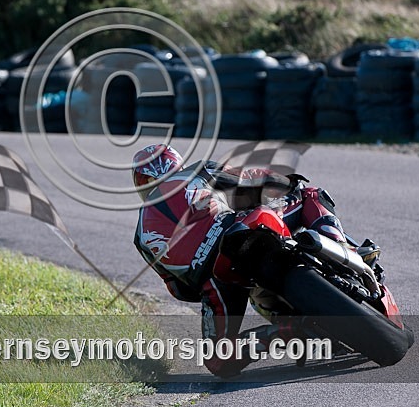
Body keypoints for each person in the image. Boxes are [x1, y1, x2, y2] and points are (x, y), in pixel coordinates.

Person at [132, 143, 379, 377]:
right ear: (176, 163)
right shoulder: (196, 171)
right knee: (310, 195)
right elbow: (247, 179)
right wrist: (284, 182)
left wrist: (204, 283)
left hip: (215, 281)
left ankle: (282, 331)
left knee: (219, 361)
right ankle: (344, 247)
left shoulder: (141, 237)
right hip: (238, 231)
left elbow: (179, 289)